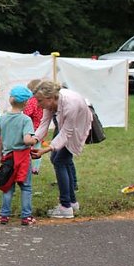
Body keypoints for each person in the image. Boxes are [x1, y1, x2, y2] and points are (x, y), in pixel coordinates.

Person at [32, 81, 91, 219]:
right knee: (59, 159)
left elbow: (66, 133)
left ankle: (65, 207)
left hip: (77, 128)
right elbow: (44, 122)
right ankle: (72, 202)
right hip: (66, 125)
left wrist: (45, 150)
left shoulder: (70, 105)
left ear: (51, 97)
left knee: (60, 160)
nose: (38, 104)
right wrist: (34, 139)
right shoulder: (50, 103)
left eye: (40, 101)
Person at [0, 85, 39, 226]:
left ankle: (4, 215)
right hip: (22, 159)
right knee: (26, 187)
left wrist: (0, 155)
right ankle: (26, 216)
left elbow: (0, 140)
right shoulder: (26, 120)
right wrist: (35, 139)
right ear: (26, 103)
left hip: (7, 157)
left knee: (8, 186)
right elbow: (27, 140)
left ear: (10, 99)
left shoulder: (2, 118)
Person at [23, 78, 43, 175]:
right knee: (38, 147)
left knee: (29, 149)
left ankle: (29, 167)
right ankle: (36, 168)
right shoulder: (43, 100)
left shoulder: (31, 101)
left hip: (31, 128)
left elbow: (27, 114)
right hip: (41, 128)